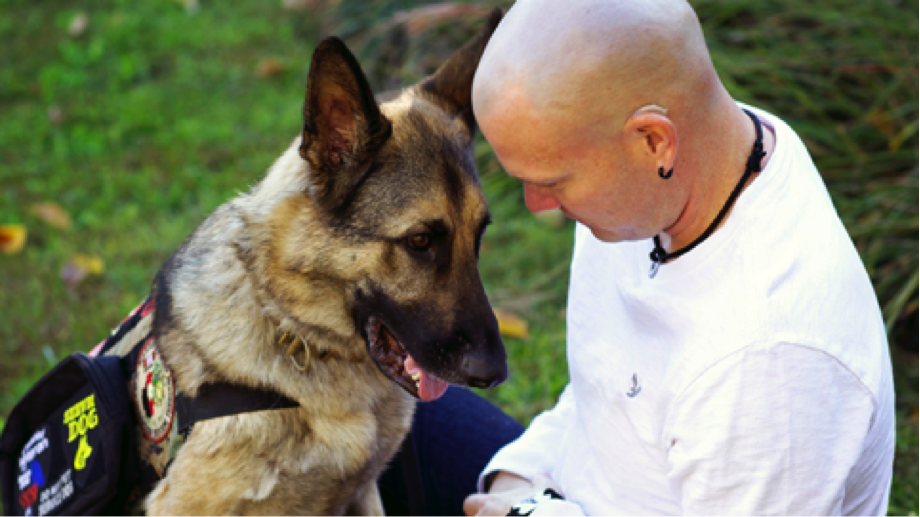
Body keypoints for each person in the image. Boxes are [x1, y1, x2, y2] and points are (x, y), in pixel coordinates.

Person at [461, 0, 897, 516]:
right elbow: (604, 391)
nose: (538, 207)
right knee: (366, 412)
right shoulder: (690, 170)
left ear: (654, 141)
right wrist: (516, 484)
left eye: (552, 182)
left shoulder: (768, 367)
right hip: (554, 488)